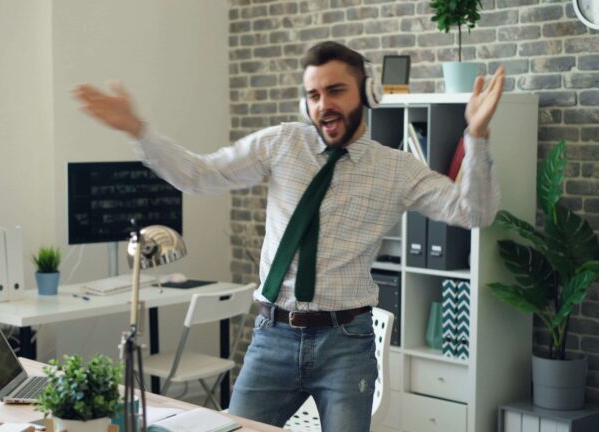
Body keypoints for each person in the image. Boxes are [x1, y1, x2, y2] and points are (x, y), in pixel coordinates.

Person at [74, 41, 504, 431]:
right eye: (314, 96)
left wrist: (477, 136)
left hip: (345, 342)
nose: (323, 106)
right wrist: (138, 131)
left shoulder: (397, 169)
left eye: (336, 91)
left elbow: (474, 212)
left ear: (368, 93)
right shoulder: (281, 144)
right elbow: (200, 175)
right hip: (273, 335)